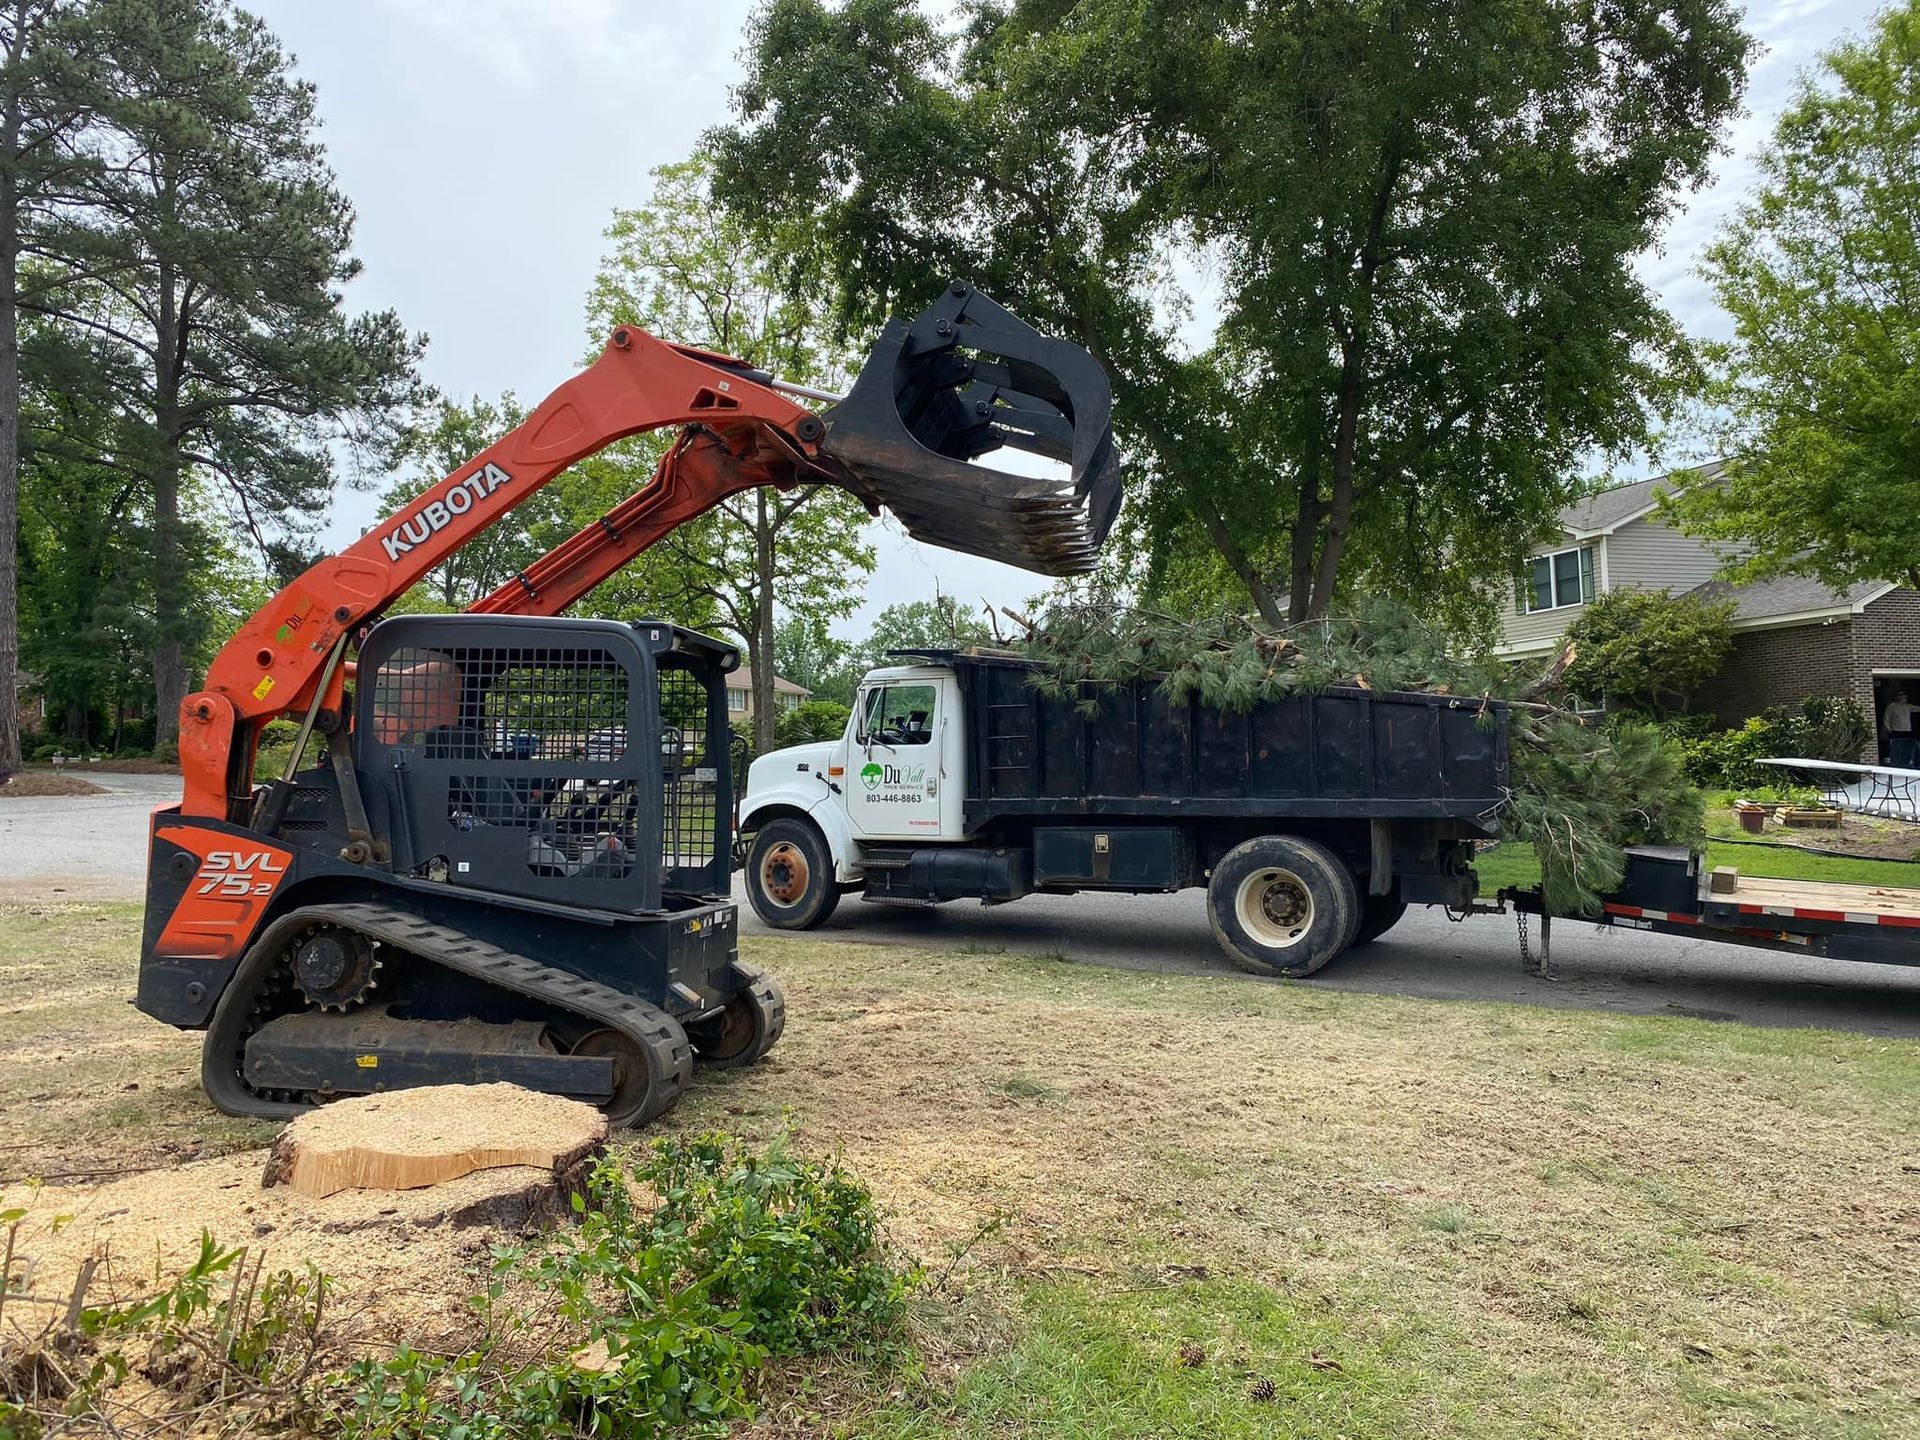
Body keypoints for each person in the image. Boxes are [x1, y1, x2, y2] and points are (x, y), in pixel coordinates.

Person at [1884, 688, 1916, 769]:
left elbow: (1917, 708)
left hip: (1907, 730)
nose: (1905, 699)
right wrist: (1888, 728)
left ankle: (1906, 762)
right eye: (1903, 697)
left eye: (1906, 697)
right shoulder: (1892, 706)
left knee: (1907, 747)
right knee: (1897, 747)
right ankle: (1896, 763)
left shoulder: (1909, 706)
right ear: (1898, 698)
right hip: (1896, 730)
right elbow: (1886, 718)